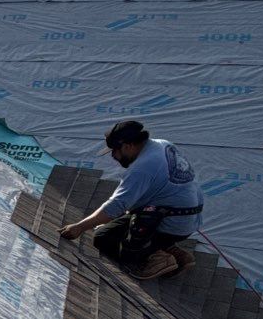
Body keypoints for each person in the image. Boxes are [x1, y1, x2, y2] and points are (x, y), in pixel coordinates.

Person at [59, 120, 202, 280]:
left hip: (169, 223)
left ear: (127, 146)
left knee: (104, 240)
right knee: (108, 228)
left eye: (114, 151)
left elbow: (116, 205)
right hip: (185, 219)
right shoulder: (162, 145)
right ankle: (171, 251)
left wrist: (79, 227)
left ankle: (158, 258)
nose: (113, 156)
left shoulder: (143, 167)